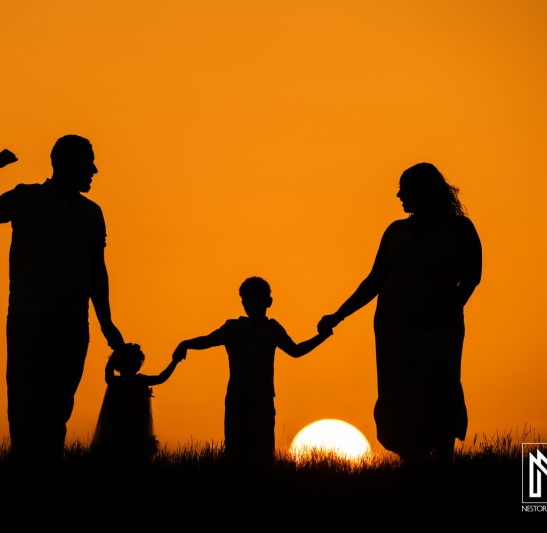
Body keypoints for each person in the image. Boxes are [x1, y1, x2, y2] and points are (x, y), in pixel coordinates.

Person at [0, 135, 125, 472]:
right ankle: (25, 474)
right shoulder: (29, 198)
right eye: (88, 163)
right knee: (25, 407)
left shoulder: (92, 213)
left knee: (57, 409)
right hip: (30, 319)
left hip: (72, 323)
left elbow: (97, 272)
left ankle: (46, 476)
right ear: (66, 164)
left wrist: (106, 323)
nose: (94, 170)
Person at [318, 162, 482, 465]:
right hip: (394, 329)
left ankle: (444, 461)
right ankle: (413, 464)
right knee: (398, 396)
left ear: (425, 190)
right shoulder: (395, 231)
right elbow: (374, 281)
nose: (398, 194)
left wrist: (444, 311)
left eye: (405, 187)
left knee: (439, 388)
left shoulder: (460, 229)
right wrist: (338, 315)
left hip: (440, 327)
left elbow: (472, 277)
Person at [173, 277, 333, 471]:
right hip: (238, 399)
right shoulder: (233, 328)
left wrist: (322, 337)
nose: (252, 305)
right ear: (243, 303)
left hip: (261, 399)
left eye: (256, 300)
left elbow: (296, 351)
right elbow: (207, 340)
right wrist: (185, 344)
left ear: (268, 302)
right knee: (235, 454)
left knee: (263, 455)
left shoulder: (272, 329)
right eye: (248, 301)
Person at [91, 343, 183, 464]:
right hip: (124, 427)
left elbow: (161, 378)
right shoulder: (124, 381)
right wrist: (174, 362)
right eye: (126, 364)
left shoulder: (116, 381)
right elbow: (161, 378)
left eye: (131, 364)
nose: (129, 367)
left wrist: (174, 362)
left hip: (131, 427)